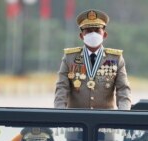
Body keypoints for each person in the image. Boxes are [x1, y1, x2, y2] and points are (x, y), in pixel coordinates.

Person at [54, 9, 132, 140]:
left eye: (97, 30)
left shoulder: (116, 58)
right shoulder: (70, 58)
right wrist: (60, 113)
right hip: (75, 126)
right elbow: (61, 88)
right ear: (81, 36)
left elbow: (123, 90)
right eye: (88, 31)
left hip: (106, 126)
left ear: (104, 34)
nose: (93, 34)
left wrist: (122, 115)